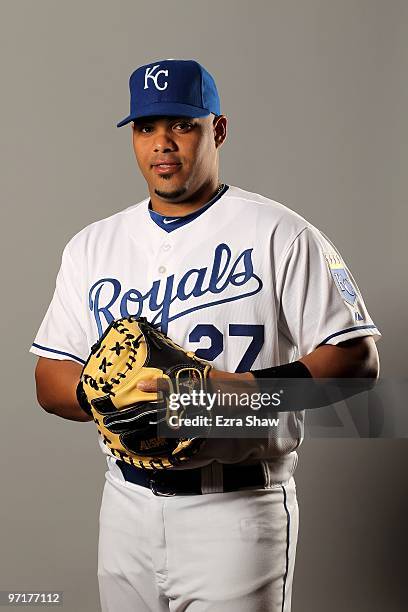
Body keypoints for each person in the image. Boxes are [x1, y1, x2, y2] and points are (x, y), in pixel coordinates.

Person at [31, 59, 381, 612]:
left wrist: (234, 394)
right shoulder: (91, 246)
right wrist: (100, 396)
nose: (162, 144)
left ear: (217, 129)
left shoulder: (281, 233)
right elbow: (48, 378)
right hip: (125, 504)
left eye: (182, 125)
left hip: (237, 511)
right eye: (146, 128)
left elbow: (357, 359)